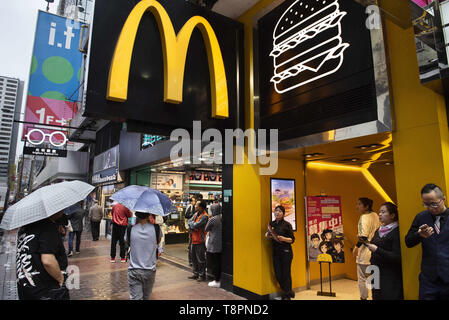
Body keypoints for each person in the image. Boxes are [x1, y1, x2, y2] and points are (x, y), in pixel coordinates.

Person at [405, 183, 449, 300]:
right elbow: (408, 242)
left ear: (443, 199)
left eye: (434, 204)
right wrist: (419, 235)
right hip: (429, 281)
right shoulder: (421, 217)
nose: (430, 208)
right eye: (426, 204)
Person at [16, 211, 69, 300]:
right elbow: (48, 261)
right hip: (46, 289)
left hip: (25, 286)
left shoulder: (25, 227)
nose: (63, 210)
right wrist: (61, 279)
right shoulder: (48, 227)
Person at [365, 202, 403, 300]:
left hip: (389, 273)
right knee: (376, 295)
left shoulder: (397, 231)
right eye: (379, 212)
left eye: (383, 212)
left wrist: (377, 250)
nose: (380, 214)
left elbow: (397, 257)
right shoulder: (379, 229)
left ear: (392, 215)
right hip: (375, 270)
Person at [126, 212, 161, 300]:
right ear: (149, 215)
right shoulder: (156, 228)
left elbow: (127, 242)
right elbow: (158, 241)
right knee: (146, 297)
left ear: (136, 215)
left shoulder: (130, 228)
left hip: (134, 270)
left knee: (135, 298)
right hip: (150, 270)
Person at [265, 205, 295, 300]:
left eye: (279, 211)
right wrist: (267, 235)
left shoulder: (287, 225)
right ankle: (289, 291)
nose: (277, 213)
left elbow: (292, 240)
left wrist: (284, 239)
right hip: (276, 252)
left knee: (286, 273)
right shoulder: (271, 223)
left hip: (286, 252)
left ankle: (286, 295)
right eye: (276, 211)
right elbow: (269, 234)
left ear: (283, 213)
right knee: (278, 274)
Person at [352, 197, 380, 300]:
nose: (357, 206)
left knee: (362, 278)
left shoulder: (363, 217)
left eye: (359, 204)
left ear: (366, 206)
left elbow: (363, 236)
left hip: (364, 252)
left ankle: (363, 298)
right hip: (375, 250)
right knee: (374, 278)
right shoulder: (376, 215)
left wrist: (356, 247)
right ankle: (376, 296)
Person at [187, 200, 209, 281]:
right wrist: (193, 226)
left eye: (197, 205)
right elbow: (189, 221)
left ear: (201, 207)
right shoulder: (196, 214)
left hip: (200, 240)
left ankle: (201, 275)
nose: (195, 206)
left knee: (200, 259)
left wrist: (192, 226)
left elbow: (196, 225)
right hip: (193, 239)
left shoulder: (204, 216)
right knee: (194, 258)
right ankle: (195, 273)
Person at [205, 203, 222, 288]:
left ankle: (216, 280)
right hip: (221, 242)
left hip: (214, 243)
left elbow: (206, 228)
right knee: (219, 261)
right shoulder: (222, 217)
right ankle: (219, 279)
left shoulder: (213, 219)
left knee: (215, 262)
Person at [185, 197, 196, 266]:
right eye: (194, 201)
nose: (195, 202)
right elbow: (186, 215)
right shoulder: (190, 206)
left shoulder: (189, 206)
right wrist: (193, 216)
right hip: (190, 224)